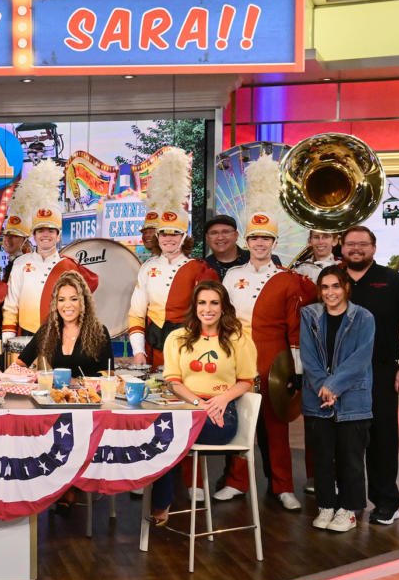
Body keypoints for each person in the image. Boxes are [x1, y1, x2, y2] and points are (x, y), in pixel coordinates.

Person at [216, 211, 310, 511]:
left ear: (274, 242)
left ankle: (283, 486)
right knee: (239, 419)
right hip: (236, 356)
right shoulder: (232, 275)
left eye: (265, 238)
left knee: (275, 423)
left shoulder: (286, 279)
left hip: (274, 357)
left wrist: (297, 368)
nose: (260, 243)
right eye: (255, 237)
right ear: (247, 240)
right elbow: (222, 318)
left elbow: (294, 326)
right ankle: (235, 482)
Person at [148, 281, 256, 525]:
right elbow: (173, 382)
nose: (208, 309)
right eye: (202, 303)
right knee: (166, 433)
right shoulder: (177, 338)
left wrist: (220, 400)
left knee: (169, 437)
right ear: (195, 306)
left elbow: (246, 381)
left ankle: (159, 504)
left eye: (214, 303)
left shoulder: (239, 339)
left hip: (221, 412)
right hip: (188, 408)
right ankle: (158, 499)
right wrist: (200, 404)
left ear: (224, 307)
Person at [341, 224, 399, 525]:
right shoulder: (334, 281)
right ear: (342, 247)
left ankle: (388, 501)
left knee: (382, 439)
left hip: (382, 371)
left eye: (363, 243)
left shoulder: (392, 280)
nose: (356, 248)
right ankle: (348, 500)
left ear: (373, 248)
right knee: (345, 439)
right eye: (350, 244)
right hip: (341, 374)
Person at [300, 266, 375, 533]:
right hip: (317, 398)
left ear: (345, 287)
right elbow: (308, 357)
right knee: (321, 456)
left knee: (350, 458)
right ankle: (326, 505)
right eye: (325, 287)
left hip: (352, 400)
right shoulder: (308, 315)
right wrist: (323, 386)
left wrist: (334, 386)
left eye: (335, 286)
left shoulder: (364, 318)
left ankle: (349, 509)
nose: (330, 292)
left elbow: (360, 359)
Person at [1, 161, 96, 343]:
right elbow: (11, 306)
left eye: (51, 231)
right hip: (25, 338)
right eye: (40, 230)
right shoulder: (21, 264)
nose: (46, 235)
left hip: (61, 337)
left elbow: (81, 308)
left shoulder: (69, 265)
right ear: (33, 235)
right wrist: (8, 342)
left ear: (58, 236)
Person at [127, 209, 213, 368]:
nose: (168, 239)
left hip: (189, 351)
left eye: (175, 234)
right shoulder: (147, 268)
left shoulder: (199, 268)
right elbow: (136, 314)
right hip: (153, 350)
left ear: (184, 237)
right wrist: (138, 351)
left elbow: (209, 316)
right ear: (157, 237)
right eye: (164, 234)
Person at [18, 270, 113, 376]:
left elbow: (109, 374)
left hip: (89, 392)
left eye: (74, 299)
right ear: (55, 303)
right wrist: (32, 375)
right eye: (61, 300)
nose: (67, 305)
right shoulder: (48, 330)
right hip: (57, 392)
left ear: (83, 302)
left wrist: (79, 382)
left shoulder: (99, 331)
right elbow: (19, 365)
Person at [201, 214, 250, 280]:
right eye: (214, 233)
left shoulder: (254, 261)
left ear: (236, 235)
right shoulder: (202, 268)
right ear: (207, 238)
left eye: (226, 232)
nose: (220, 237)